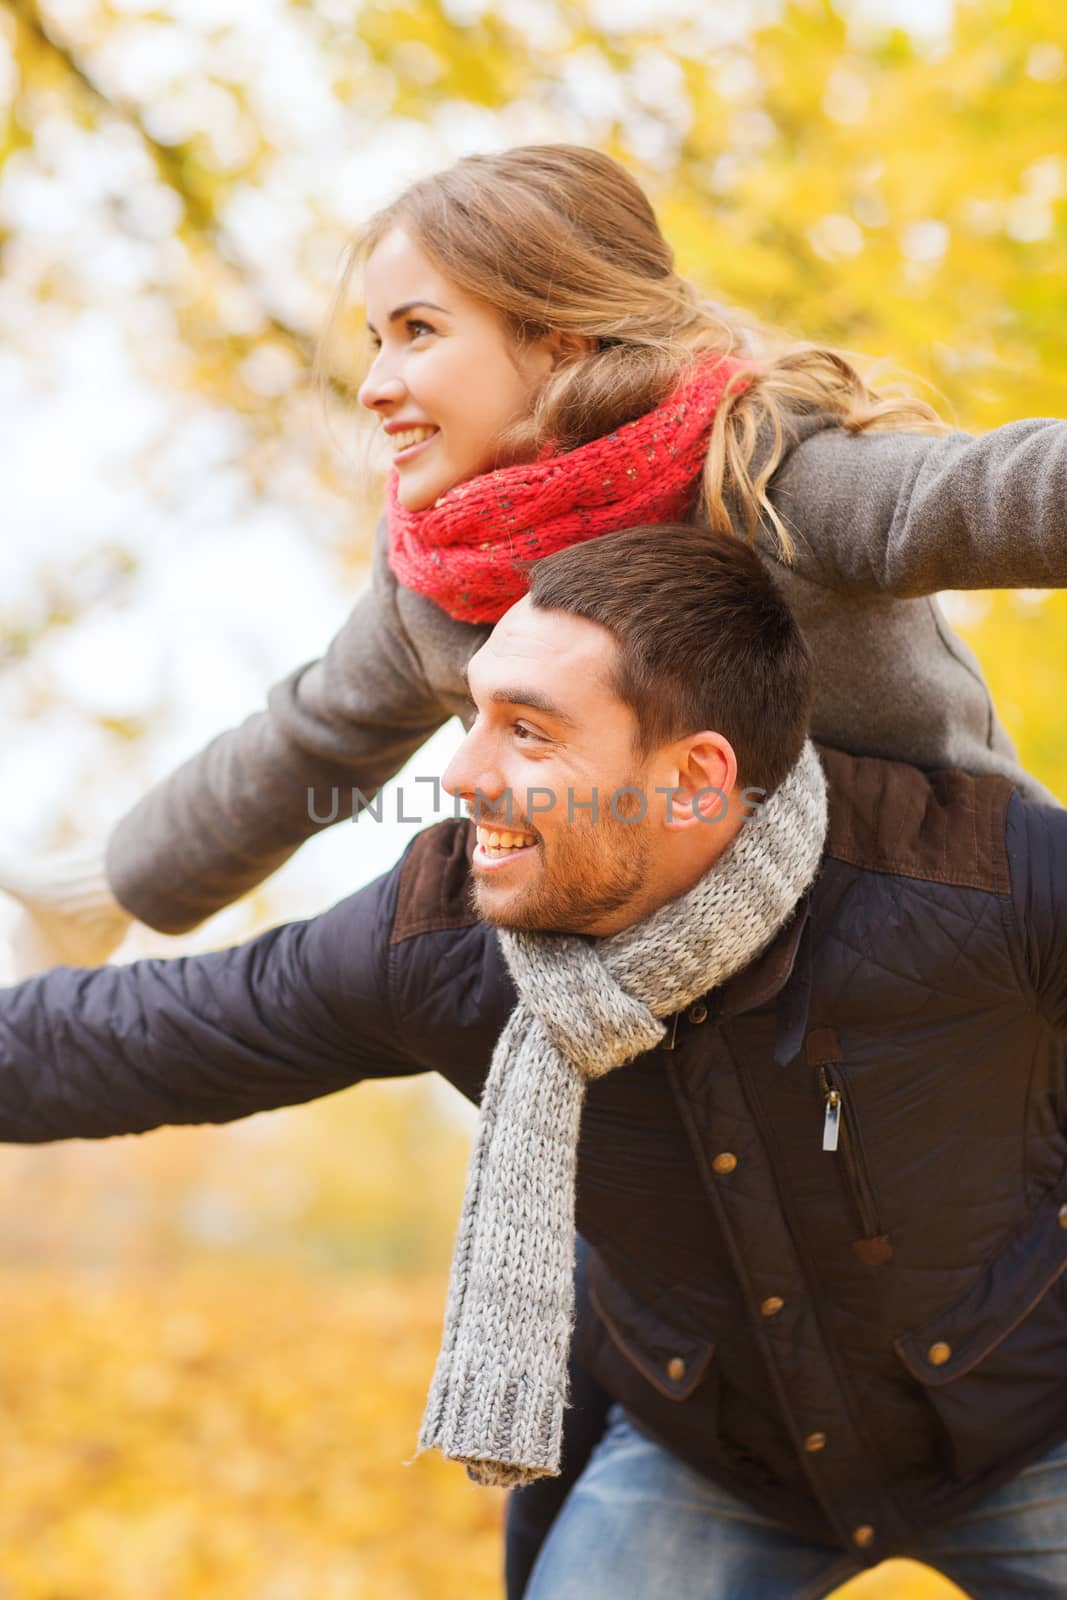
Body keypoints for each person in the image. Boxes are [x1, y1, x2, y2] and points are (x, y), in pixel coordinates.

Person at [2, 523, 1067, 1600]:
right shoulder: (440, 938)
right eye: (473, 716)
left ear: (697, 778)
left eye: (528, 732)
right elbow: (128, 1033)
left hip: (1030, 1427)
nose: (460, 774)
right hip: (713, 1463)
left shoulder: (980, 884)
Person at [7, 142, 1064, 969]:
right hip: (697, 974)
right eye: (375, 338)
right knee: (431, 923)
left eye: (418, 331)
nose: (374, 382)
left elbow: (985, 494)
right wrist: (111, 885)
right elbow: (309, 742)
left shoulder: (761, 475)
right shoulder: (438, 579)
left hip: (941, 898)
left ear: (558, 337)